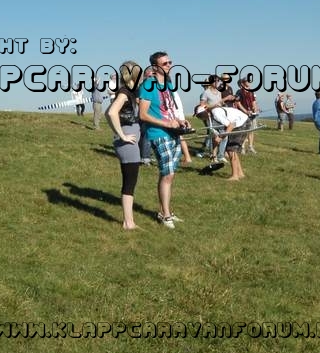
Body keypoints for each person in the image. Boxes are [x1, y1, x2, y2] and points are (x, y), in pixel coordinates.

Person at [139, 51, 190, 229]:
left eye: (170, 62)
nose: (169, 65)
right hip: (158, 133)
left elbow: (169, 108)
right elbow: (143, 114)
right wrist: (166, 123)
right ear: (155, 67)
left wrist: (180, 121)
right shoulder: (148, 85)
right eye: (165, 63)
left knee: (168, 174)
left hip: (173, 132)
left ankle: (164, 211)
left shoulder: (167, 84)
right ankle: (165, 215)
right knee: (167, 175)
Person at [105, 61, 143, 230]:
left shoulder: (130, 92)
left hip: (130, 142)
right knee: (129, 182)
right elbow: (111, 112)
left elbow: (109, 113)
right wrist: (122, 135)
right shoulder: (125, 92)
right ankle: (128, 222)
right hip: (128, 144)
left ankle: (129, 221)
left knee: (131, 181)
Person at [200, 105, 250, 181]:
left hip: (241, 122)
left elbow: (230, 125)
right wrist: (214, 154)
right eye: (198, 116)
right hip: (237, 124)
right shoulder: (209, 121)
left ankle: (235, 176)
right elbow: (215, 137)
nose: (200, 117)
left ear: (206, 113)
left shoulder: (216, 114)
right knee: (231, 149)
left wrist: (221, 137)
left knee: (231, 150)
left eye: (201, 115)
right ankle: (240, 173)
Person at [235, 78, 259, 154]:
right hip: (243, 114)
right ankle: (242, 147)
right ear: (242, 83)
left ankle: (250, 147)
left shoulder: (252, 91)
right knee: (244, 131)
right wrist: (245, 111)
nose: (249, 82)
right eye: (247, 81)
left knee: (251, 130)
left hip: (252, 114)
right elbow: (238, 103)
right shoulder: (239, 92)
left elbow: (254, 101)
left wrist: (255, 108)